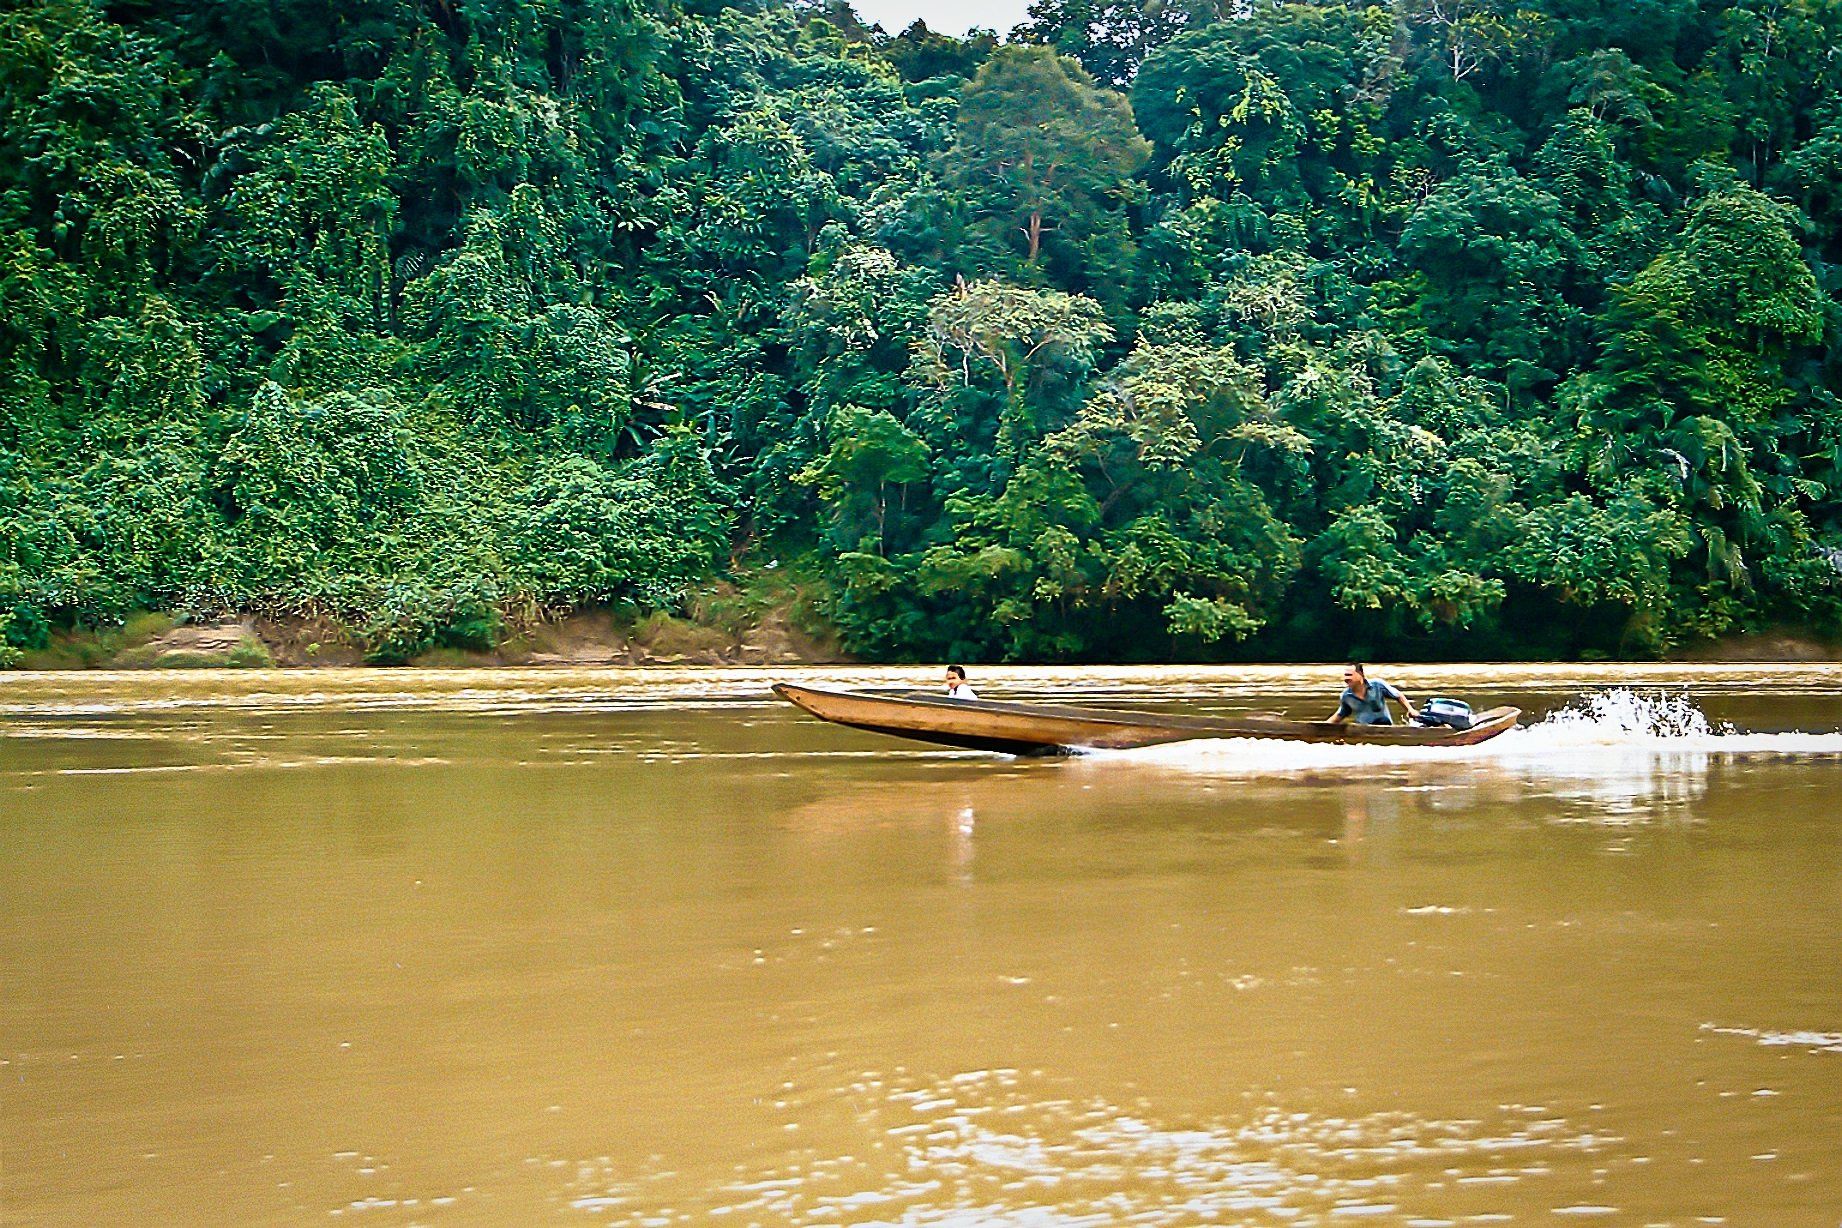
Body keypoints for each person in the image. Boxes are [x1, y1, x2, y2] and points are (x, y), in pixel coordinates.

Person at [1327, 662, 1418, 725]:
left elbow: (1398, 695)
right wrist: (1322, 726)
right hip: (1363, 729)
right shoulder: (1346, 696)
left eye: (1349, 675)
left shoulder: (1377, 685)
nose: (1346, 678)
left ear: (1360, 674)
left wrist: (1410, 709)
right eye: (1345, 675)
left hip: (1384, 726)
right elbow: (1341, 715)